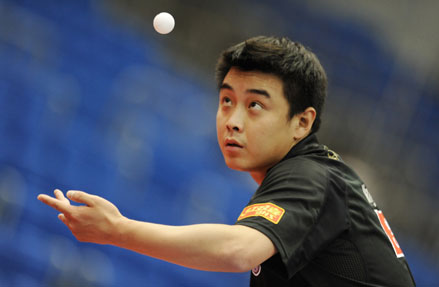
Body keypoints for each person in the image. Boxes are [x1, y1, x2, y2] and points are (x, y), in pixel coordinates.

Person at [38, 36, 416, 286]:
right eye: (226, 101)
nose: (232, 120)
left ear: (302, 122)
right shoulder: (311, 180)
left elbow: (237, 251)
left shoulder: (310, 175)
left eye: (255, 105)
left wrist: (118, 230)